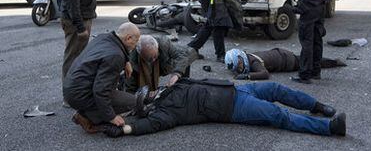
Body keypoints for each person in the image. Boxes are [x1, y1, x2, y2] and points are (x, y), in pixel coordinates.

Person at [102, 78, 346, 138]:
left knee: (276, 89)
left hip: (236, 88)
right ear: (149, 104)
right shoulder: (165, 112)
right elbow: (151, 125)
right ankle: (329, 128)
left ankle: (317, 105)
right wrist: (126, 130)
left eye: (149, 90)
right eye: (148, 94)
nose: (152, 90)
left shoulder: (170, 87)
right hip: (234, 107)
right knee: (277, 115)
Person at [63, 23, 141, 134]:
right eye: (136, 41)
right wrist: (111, 117)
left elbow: (117, 50)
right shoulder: (116, 56)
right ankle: (87, 116)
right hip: (80, 95)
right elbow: (101, 91)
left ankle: (89, 111)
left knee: (112, 86)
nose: (137, 44)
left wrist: (126, 61)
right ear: (128, 38)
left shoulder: (104, 37)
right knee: (132, 102)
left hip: (71, 88)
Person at [59, 0, 102, 104]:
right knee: (72, 58)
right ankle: (69, 98)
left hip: (84, 18)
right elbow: (71, 1)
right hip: (77, 21)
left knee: (79, 58)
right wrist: (80, 27)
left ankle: (76, 93)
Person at [287, 0, 327, 84]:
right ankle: (316, 72)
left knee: (306, 41)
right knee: (317, 40)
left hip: (308, 7)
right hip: (320, 5)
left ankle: (305, 74)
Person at [125, 35, 198, 93]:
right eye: (149, 58)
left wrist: (176, 74)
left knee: (188, 54)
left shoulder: (164, 43)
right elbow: (130, 88)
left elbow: (181, 56)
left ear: (157, 47)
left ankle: (183, 87)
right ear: (140, 54)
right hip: (139, 70)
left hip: (164, 65)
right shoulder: (132, 59)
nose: (153, 60)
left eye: (155, 56)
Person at [224, 48, 347, 80]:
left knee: (311, 62)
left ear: (241, 57)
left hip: (288, 61)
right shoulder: (248, 56)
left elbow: (265, 74)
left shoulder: (254, 63)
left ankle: (335, 62)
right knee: (309, 60)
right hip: (282, 54)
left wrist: (247, 76)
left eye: (239, 64)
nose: (240, 68)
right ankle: (334, 61)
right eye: (237, 68)